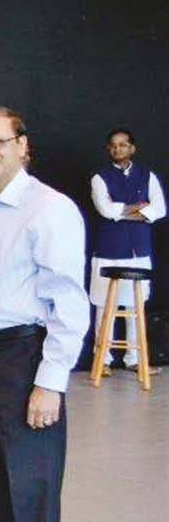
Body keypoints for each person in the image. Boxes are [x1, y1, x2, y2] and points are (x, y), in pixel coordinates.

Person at [0, 107, 88, 522]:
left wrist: (50, 383)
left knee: (30, 485)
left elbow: (68, 302)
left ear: (22, 146)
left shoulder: (49, 208)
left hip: (21, 359)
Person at [88, 127, 165, 372]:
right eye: (114, 145)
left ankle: (134, 359)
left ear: (132, 148)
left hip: (138, 252)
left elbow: (159, 209)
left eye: (123, 144)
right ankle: (103, 361)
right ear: (108, 149)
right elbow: (106, 210)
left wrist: (123, 213)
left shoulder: (147, 176)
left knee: (136, 305)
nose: (118, 149)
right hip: (108, 250)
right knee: (104, 306)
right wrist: (138, 209)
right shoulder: (99, 178)